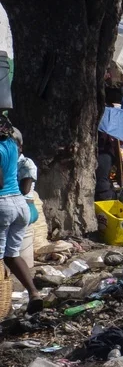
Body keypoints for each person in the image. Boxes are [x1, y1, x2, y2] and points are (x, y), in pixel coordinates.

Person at [0, 119, 40, 313]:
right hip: (19, 204)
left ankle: (2, 307)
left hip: (3, 204)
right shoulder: (11, 146)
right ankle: (34, 293)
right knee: (12, 255)